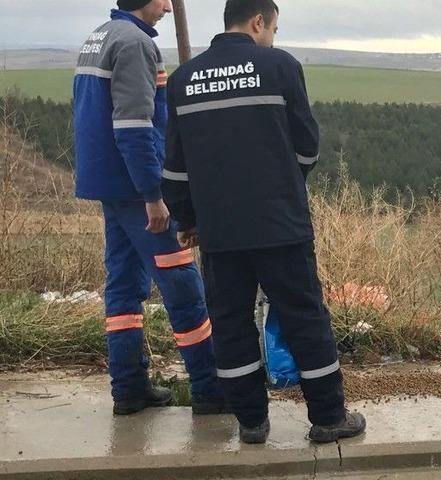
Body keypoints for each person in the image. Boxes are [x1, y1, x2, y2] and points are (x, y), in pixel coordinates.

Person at [162, 0, 366, 444]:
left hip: (220, 231)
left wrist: (188, 216)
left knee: (231, 323)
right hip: (280, 224)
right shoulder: (280, 67)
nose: (273, 37)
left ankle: (252, 423)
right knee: (304, 316)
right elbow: (307, 146)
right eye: (273, 29)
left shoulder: (182, 80)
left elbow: (175, 169)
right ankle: (329, 418)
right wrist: (285, 184)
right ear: (258, 22)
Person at [73, 0, 225, 415]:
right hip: (137, 190)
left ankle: (129, 388)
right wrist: (153, 195)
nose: (168, 7)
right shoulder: (136, 44)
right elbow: (134, 126)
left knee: (123, 287)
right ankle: (210, 389)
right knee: (183, 286)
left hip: (110, 185)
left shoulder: (100, 37)